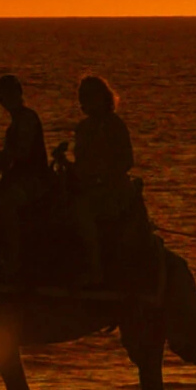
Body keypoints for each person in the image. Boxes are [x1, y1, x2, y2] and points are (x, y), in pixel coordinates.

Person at [0, 74, 54, 278]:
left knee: (6, 204)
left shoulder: (28, 118)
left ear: (18, 94)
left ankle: (15, 259)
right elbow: (6, 164)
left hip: (34, 181)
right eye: (0, 96)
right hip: (18, 179)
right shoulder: (13, 125)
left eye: (6, 94)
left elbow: (23, 154)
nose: (3, 99)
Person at [67, 74, 139, 284]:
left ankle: (95, 268)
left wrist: (101, 175)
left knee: (81, 212)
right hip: (89, 187)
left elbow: (126, 161)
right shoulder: (83, 129)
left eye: (88, 97)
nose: (83, 103)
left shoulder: (115, 126)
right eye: (81, 98)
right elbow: (81, 164)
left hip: (113, 189)